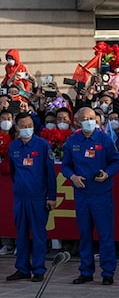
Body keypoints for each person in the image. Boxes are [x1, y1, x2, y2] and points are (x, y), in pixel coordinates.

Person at [61, 107, 119, 285]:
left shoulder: (105, 139)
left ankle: (108, 272)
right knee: (85, 234)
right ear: (78, 122)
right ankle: (86, 271)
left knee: (105, 234)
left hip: (101, 194)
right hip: (82, 194)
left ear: (97, 119)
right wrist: (72, 176)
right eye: (84, 118)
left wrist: (107, 173)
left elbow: (115, 161)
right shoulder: (72, 142)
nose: (89, 121)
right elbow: (65, 166)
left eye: (92, 118)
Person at [6, 112, 56, 282]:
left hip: (38, 198)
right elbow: (13, 172)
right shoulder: (13, 147)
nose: (27, 129)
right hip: (20, 197)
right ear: (17, 127)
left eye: (29, 126)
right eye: (23, 126)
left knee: (38, 234)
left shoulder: (42, 145)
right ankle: (22, 268)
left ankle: (39, 268)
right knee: (21, 234)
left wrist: (52, 196)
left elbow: (50, 172)